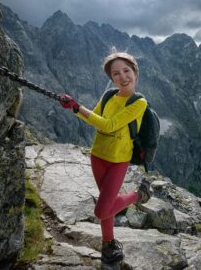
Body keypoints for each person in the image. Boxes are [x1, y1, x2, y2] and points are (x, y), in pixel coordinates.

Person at [59, 52, 152, 265]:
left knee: (102, 209)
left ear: (135, 72)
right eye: (116, 73)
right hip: (98, 156)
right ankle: (108, 244)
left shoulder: (139, 103)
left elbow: (108, 125)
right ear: (111, 78)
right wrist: (76, 107)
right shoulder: (110, 95)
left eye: (126, 71)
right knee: (106, 203)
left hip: (119, 160)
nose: (122, 77)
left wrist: (77, 107)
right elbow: (96, 118)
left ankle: (138, 196)